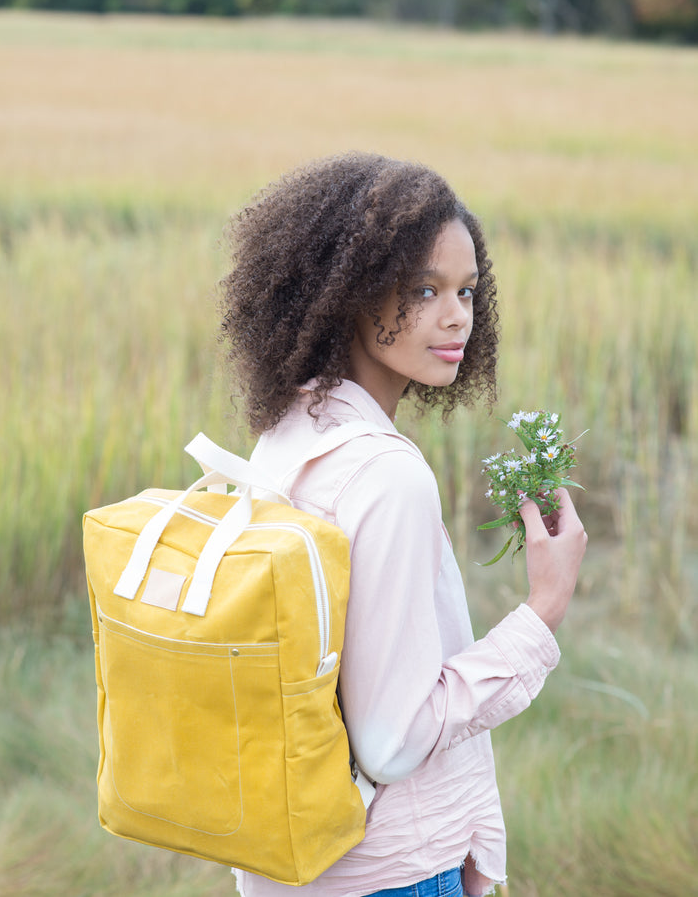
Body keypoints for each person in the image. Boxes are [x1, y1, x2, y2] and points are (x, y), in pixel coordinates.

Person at [219, 153, 587, 897]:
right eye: (424, 290)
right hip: (386, 874)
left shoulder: (290, 433)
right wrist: (542, 611)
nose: (458, 316)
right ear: (348, 295)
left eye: (467, 290)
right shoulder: (388, 475)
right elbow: (389, 742)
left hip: (289, 868)